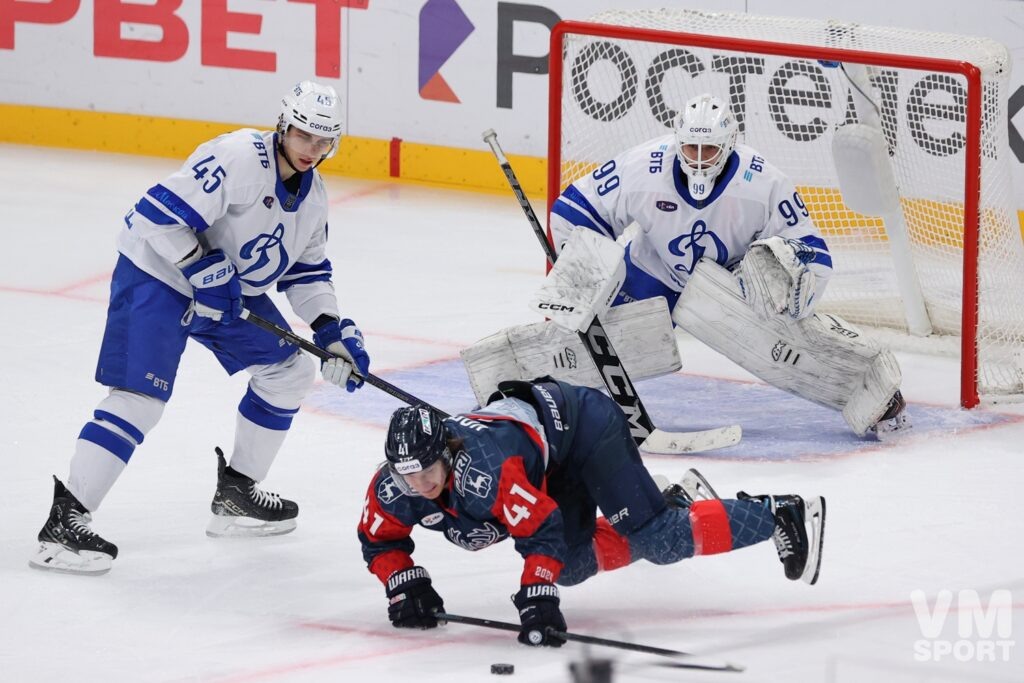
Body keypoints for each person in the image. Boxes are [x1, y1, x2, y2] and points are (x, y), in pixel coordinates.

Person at [30, 80, 370, 576]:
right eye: (303, 136)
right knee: (139, 400)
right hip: (159, 272)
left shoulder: (313, 199)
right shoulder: (238, 156)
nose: (311, 151)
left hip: (225, 292)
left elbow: (307, 273)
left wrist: (332, 330)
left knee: (290, 372)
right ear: (284, 125)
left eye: (323, 142)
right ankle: (65, 522)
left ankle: (237, 494)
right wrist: (199, 265)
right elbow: (155, 215)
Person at [544, 93, 908, 439]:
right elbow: (572, 211)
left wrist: (789, 291)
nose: (700, 159)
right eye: (691, 148)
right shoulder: (642, 166)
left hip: (726, 288)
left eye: (710, 149)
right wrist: (583, 275)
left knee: (787, 349)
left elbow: (815, 252)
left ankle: (868, 390)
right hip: (650, 271)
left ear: (730, 144)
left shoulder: (764, 182)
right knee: (586, 346)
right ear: (677, 141)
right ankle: (550, 403)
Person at [358, 377, 825, 646]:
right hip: (548, 463)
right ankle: (673, 503)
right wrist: (404, 582)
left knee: (659, 541)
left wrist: (537, 595)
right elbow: (378, 538)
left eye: (426, 471)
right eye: (406, 476)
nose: (418, 485)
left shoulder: (487, 470)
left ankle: (780, 513)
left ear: (449, 451)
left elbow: (540, 532)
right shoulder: (398, 485)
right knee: (573, 565)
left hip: (584, 429)